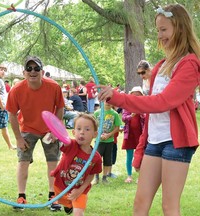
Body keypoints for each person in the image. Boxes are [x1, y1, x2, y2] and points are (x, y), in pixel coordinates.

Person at [96, 4, 200, 215]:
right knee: (140, 203)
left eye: (164, 30)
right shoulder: (161, 65)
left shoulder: (189, 63)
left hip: (176, 143)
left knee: (169, 206)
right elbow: (151, 114)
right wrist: (140, 150)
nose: (160, 35)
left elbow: (162, 102)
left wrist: (119, 98)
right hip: (154, 141)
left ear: (179, 28)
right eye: (158, 30)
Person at [7, 56, 65, 211]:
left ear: (42, 71)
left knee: (53, 162)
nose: (33, 72)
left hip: (48, 130)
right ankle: (21, 197)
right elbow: (12, 114)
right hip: (27, 129)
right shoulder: (17, 90)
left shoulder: (54, 87)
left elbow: (60, 108)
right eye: (29, 69)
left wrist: (55, 130)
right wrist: (18, 138)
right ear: (24, 72)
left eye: (36, 68)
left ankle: (53, 196)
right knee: (23, 161)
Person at [51, 113, 102, 215]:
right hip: (61, 185)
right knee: (65, 202)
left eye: (87, 129)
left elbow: (91, 175)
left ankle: (72, 205)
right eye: (78, 129)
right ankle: (68, 205)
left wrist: (80, 190)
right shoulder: (71, 145)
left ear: (95, 134)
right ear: (74, 132)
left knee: (78, 212)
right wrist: (55, 134)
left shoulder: (96, 158)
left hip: (80, 190)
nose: (82, 132)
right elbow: (63, 141)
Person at [92, 102, 121, 184]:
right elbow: (93, 126)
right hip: (99, 141)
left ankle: (104, 177)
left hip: (109, 141)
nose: (108, 103)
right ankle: (96, 177)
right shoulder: (97, 113)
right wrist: (98, 134)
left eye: (110, 101)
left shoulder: (115, 114)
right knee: (97, 159)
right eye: (106, 101)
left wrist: (109, 135)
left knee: (107, 160)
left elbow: (117, 127)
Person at [121, 86, 145, 183]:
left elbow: (146, 117)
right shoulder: (127, 105)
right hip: (129, 134)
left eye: (138, 95)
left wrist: (142, 114)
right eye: (134, 95)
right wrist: (131, 115)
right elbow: (123, 118)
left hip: (141, 134)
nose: (135, 97)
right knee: (129, 155)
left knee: (141, 155)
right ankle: (129, 175)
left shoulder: (144, 105)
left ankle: (141, 177)